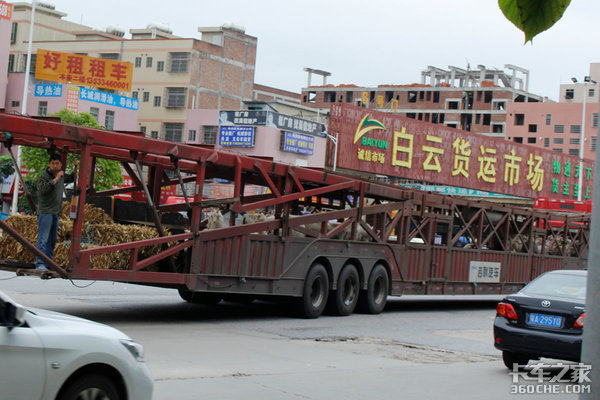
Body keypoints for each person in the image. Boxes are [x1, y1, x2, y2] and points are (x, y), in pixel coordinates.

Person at [35, 154, 78, 271]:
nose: (55, 166)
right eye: (53, 163)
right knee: (43, 239)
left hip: (55, 212)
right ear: (49, 164)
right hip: (45, 211)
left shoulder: (62, 175)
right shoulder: (44, 175)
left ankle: (49, 262)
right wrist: (57, 178)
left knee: (52, 239)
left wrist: (75, 167)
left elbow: (72, 178)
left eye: (57, 163)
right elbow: (43, 190)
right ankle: (40, 263)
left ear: (61, 165)